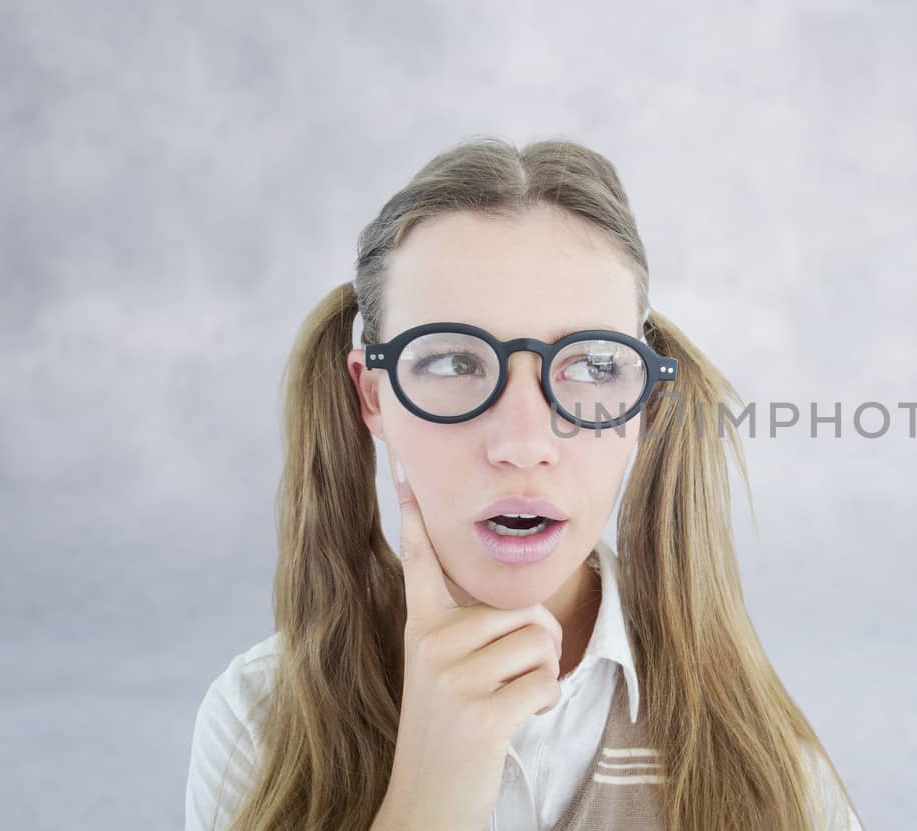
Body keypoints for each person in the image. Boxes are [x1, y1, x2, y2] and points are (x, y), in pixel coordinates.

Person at [184, 137, 864, 831]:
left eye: (594, 365)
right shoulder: (256, 721)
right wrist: (427, 798)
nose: (523, 445)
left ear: (645, 403)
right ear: (372, 396)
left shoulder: (758, 748)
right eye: (452, 362)